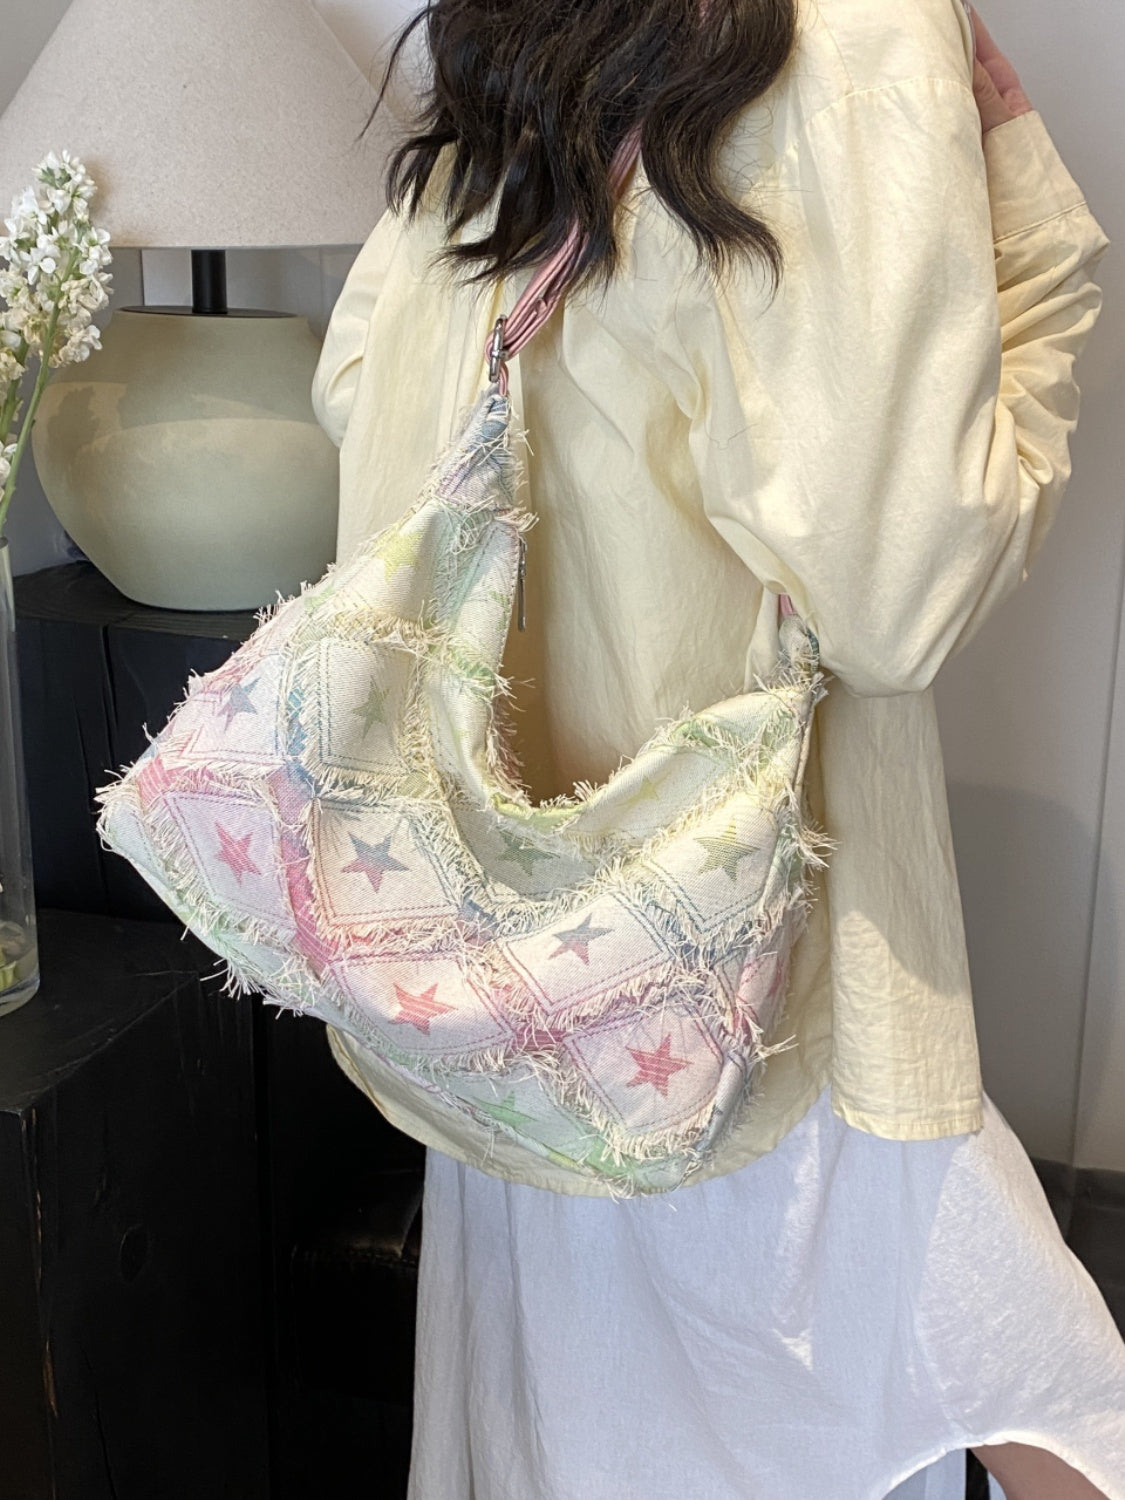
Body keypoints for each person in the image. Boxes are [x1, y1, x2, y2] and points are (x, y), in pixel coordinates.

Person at [312, 1, 1122, 1495]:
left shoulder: (514, 31)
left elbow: (360, 389)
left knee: (585, 1425)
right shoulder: (854, 34)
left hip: (517, 958)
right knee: (1030, 1386)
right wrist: (1035, 235)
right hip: (753, 962)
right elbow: (901, 595)